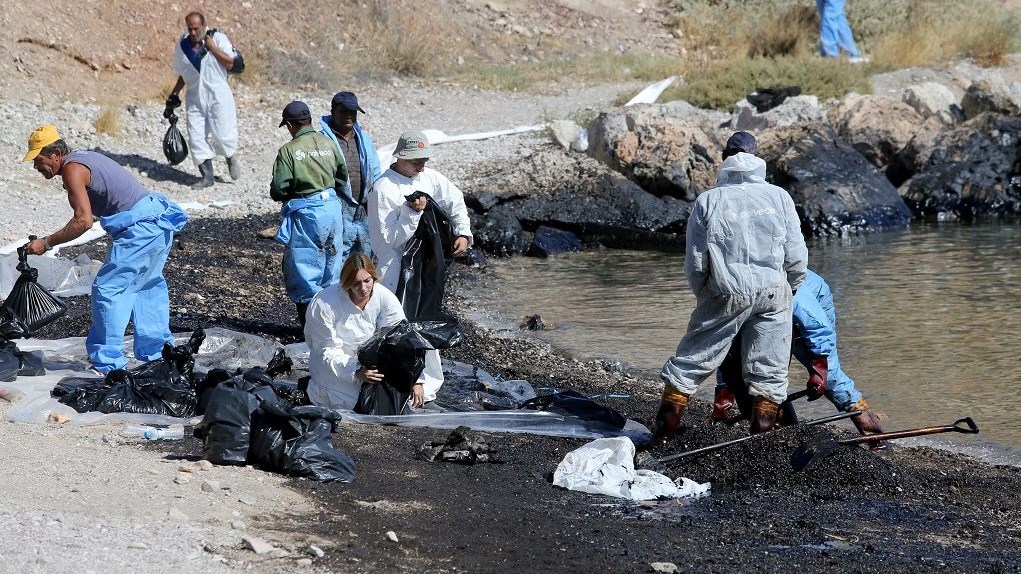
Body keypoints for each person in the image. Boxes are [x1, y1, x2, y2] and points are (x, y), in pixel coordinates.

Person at [653, 131, 808, 445]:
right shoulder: (779, 197)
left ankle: (661, 439)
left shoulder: (708, 200)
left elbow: (696, 262)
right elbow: (796, 255)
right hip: (773, 292)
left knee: (689, 365)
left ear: (724, 159)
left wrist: (706, 297)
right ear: (757, 158)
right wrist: (790, 287)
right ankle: (759, 449)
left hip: (725, 291)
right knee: (769, 375)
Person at [22, 124, 188, 374]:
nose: (36, 166)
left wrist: (46, 243)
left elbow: (83, 221)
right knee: (146, 287)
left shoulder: (72, 169)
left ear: (55, 154)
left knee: (109, 290)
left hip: (140, 229)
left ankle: (107, 364)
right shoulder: (84, 158)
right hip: (158, 224)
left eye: (38, 159)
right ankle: (158, 356)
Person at [712, 269, 887, 449]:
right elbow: (729, 349)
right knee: (761, 380)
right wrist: (723, 395)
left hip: (810, 308)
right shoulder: (729, 299)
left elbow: (818, 328)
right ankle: (789, 435)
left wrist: (819, 370)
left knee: (832, 378)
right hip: (765, 314)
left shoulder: (787, 292)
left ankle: (875, 437)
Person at [367, 130, 472, 399]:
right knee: (395, 323)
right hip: (394, 269)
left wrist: (462, 232)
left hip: (426, 266)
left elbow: (455, 199)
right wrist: (413, 213)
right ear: (400, 157)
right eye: (415, 161)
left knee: (426, 317)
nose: (420, 166)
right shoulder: (383, 189)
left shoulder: (429, 177)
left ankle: (427, 382)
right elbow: (391, 238)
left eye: (423, 160)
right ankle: (397, 378)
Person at [304, 253, 433, 410]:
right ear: (346, 283)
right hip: (335, 367)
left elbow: (402, 338)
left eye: (367, 281)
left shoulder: (384, 297)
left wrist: (416, 379)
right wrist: (356, 370)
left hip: (372, 364)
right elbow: (326, 350)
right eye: (356, 283)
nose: (363, 288)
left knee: (398, 402)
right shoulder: (324, 304)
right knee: (353, 404)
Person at [270, 101, 350, 326]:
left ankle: (311, 329)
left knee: (305, 269)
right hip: (333, 210)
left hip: (308, 213)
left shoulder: (288, 151)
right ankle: (334, 324)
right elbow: (342, 177)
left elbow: (279, 188)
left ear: (289, 124)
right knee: (332, 266)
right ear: (309, 120)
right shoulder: (328, 142)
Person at [166, 11, 240, 189]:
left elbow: (230, 64)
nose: (193, 32)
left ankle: (230, 156)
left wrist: (213, 48)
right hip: (194, 96)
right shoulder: (182, 45)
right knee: (196, 136)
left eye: (196, 28)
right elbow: (184, 73)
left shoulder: (218, 38)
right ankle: (207, 176)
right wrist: (174, 94)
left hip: (218, 93)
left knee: (222, 135)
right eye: (190, 29)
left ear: (204, 25)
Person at [318, 91, 382, 258]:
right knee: (336, 259)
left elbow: (375, 173)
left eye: (352, 112)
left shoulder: (365, 140)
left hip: (363, 211)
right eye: (343, 111)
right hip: (337, 211)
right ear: (333, 112)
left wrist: (375, 203)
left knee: (365, 261)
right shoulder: (322, 141)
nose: (348, 116)